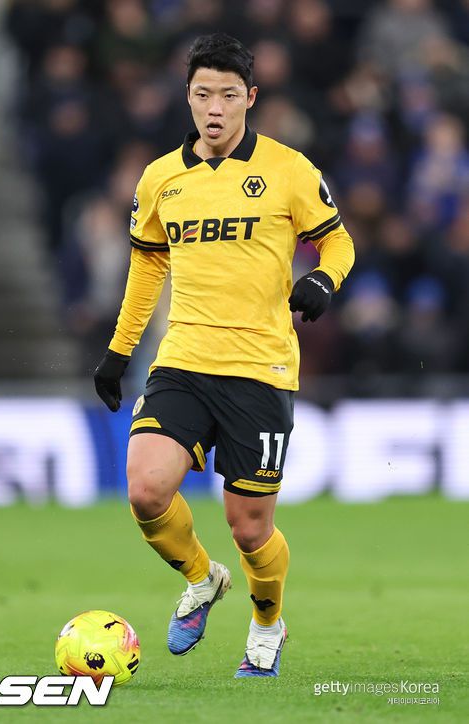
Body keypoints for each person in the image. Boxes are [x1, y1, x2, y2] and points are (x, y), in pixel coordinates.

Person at [94, 33, 354, 678]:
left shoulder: (290, 170)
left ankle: (267, 624)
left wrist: (324, 280)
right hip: (183, 358)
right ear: (187, 96)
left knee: (249, 528)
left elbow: (339, 243)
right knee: (145, 490)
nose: (215, 108)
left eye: (229, 95)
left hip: (260, 367)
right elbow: (147, 269)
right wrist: (119, 352)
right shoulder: (160, 178)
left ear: (250, 98)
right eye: (203, 94)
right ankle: (201, 578)